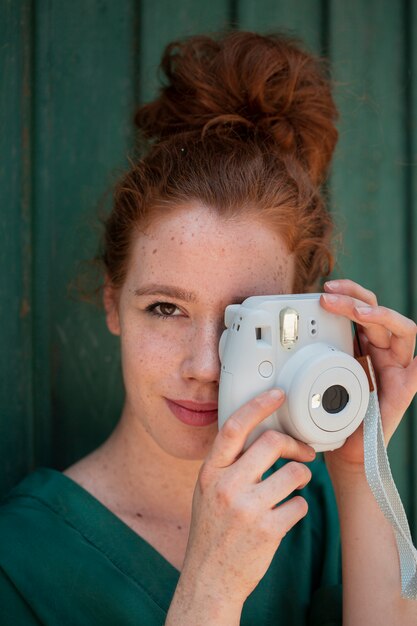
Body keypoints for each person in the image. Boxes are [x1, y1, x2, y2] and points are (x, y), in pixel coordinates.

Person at [0, 31, 416, 626]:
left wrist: (360, 460)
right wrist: (210, 590)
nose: (205, 366)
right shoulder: (22, 560)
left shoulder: (312, 507)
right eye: (165, 309)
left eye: (246, 323)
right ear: (114, 304)